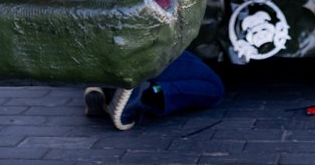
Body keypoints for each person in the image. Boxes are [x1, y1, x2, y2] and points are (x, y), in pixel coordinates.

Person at [83, 50, 225, 130]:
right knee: (216, 89)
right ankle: (147, 95)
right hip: (151, 54)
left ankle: (106, 87)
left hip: (119, 52)